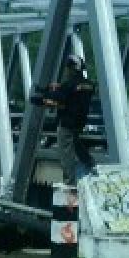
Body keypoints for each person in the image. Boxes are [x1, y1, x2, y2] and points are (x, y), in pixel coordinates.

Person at [39, 54, 95, 185]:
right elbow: (74, 93)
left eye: (68, 68)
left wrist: (44, 94)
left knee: (66, 154)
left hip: (67, 122)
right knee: (76, 143)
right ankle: (90, 163)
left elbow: (59, 98)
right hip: (80, 122)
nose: (66, 70)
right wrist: (60, 87)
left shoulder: (69, 84)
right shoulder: (89, 85)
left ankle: (69, 183)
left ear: (71, 68)